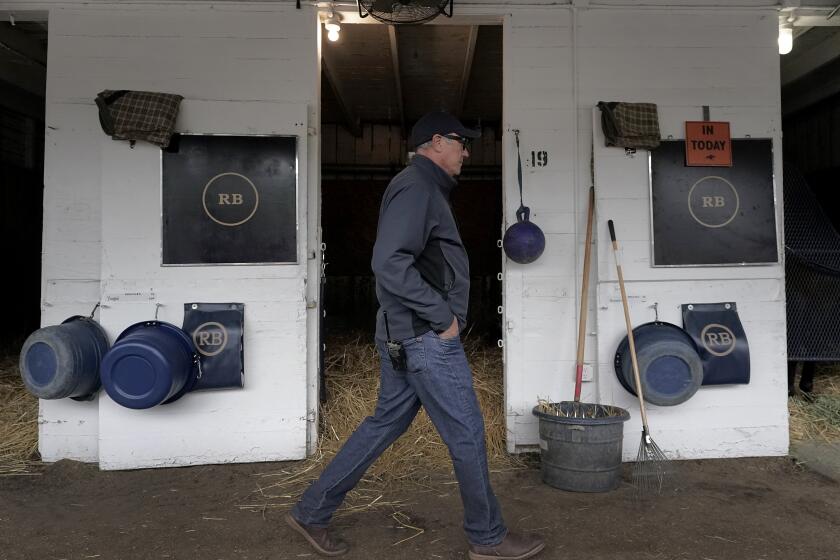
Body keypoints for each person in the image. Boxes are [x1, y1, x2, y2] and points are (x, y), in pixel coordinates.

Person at [285, 111, 545, 560]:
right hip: (425, 339)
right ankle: (487, 537)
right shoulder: (418, 187)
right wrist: (441, 318)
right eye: (462, 143)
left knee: (385, 423)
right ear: (437, 142)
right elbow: (389, 262)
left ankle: (312, 510)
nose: (467, 152)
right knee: (465, 430)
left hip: (406, 336)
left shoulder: (420, 188)